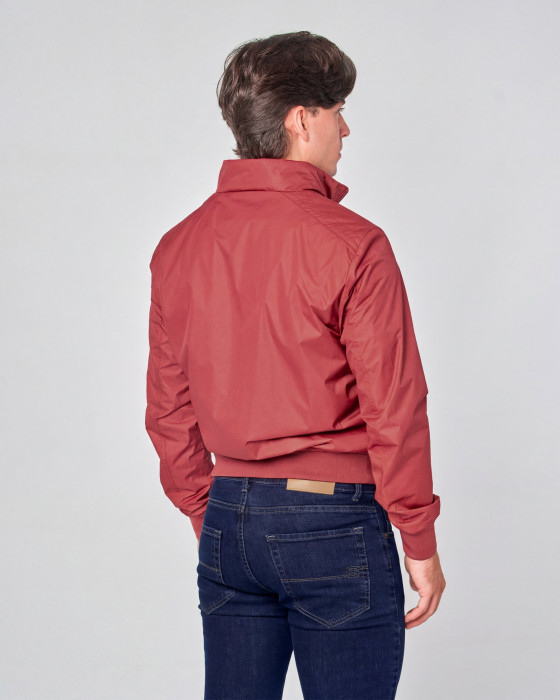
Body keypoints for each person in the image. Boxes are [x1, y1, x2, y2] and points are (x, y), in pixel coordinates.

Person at [145, 30, 445, 700]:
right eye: (338, 110)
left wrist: (209, 512)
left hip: (228, 519)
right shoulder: (354, 243)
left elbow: (168, 409)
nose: (346, 128)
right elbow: (394, 407)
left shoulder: (178, 245)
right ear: (301, 119)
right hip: (331, 522)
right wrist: (418, 539)